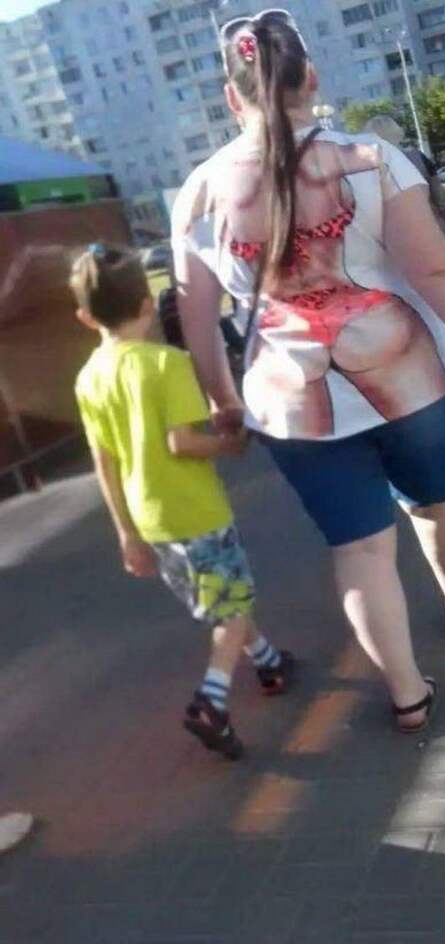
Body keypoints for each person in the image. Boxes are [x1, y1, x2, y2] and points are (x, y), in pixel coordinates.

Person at [172, 10, 445, 735]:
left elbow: (197, 317)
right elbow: (434, 270)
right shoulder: (371, 157)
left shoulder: (200, 192)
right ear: (311, 77)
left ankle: (408, 695)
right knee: (438, 504)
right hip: (406, 368)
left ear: (232, 96)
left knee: (360, 549)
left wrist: (223, 401)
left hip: (287, 394)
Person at [70, 244, 292, 761]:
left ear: (85, 317)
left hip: (149, 517)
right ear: (147, 306)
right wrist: (229, 445)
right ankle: (212, 700)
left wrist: (126, 532)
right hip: (195, 509)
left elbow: (104, 460)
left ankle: (268, 662)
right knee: (230, 604)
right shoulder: (165, 364)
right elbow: (182, 443)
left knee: (222, 597)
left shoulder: (88, 378)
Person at [366, 115, 445, 258]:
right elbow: (443, 203)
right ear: (397, 133)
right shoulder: (418, 158)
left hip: (397, 252)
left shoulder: (365, 171)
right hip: (435, 239)